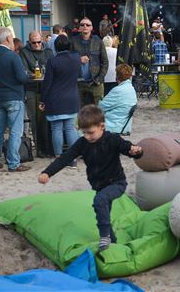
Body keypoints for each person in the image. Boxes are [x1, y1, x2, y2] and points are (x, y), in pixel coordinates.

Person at [38, 105, 143, 252]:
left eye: (91, 132)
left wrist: (136, 151)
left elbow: (128, 148)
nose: (87, 136)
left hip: (117, 183)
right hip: (99, 186)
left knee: (99, 201)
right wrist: (47, 173)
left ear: (102, 126)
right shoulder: (83, 143)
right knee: (103, 210)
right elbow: (65, 158)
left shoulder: (112, 139)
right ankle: (112, 242)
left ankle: (104, 236)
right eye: (84, 133)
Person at [0, 27, 30, 172]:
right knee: (15, 131)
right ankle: (13, 163)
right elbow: (22, 78)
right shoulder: (12, 56)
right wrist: (27, 75)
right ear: (8, 39)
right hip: (14, 97)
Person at [39, 35, 80, 161]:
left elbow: (47, 83)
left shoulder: (53, 61)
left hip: (55, 99)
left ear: (56, 47)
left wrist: (42, 100)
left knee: (56, 128)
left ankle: (58, 155)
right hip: (72, 98)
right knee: (70, 128)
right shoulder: (76, 59)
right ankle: (73, 156)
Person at [20, 30, 54, 136]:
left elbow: (53, 68)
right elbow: (24, 69)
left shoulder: (48, 51)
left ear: (42, 40)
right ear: (29, 42)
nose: (37, 45)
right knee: (34, 118)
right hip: (31, 88)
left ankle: (48, 145)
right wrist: (32, 74)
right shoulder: (24, 52)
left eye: (39, 42)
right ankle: (37, 143)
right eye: (34, 42)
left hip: (46, 88)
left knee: (48, 116)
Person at [70, 17, 109, 106]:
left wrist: (99, 78)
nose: (85, 26)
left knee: (98, 110)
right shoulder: (73, 41)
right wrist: (78, 60)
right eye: (82, 25)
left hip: (95, 82)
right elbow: (68, 60)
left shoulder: (98, 41)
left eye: (88, 25)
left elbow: (105, 61)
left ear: (91, 28)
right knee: (79, 111)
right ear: (79, 27)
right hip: (78, 82)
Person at [99, 64, 137, 135]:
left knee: (84, 129)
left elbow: (101, 107)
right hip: (125, 125)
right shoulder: (131, 89)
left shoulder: (117, 90)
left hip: (113, 125)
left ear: (117, 76)